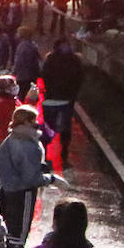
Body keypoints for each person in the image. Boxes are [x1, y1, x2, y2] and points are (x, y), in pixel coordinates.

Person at [0, 106, 59, 248]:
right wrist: (50, 178)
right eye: (33, 119)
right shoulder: (28, 144)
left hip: (8, 189)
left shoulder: (11, 139)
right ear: (25, 121)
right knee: (19, 231)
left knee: (9, 229)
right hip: (23, 193)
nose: (37, 123)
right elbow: (32, 177)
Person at [40, 37, 83, 167]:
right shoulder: (71, 60)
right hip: (58, 98)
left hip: (60, 98)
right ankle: (49, 154)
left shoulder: (56, 59)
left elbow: (78, 78)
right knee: (51, 127)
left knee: (59, 128)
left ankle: (60, 154)